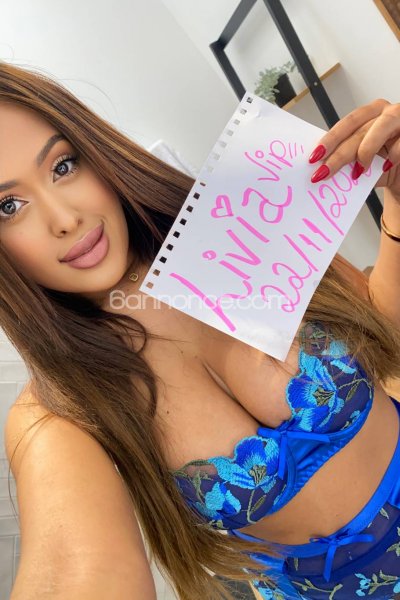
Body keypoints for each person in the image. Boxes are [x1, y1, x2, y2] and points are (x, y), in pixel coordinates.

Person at [1, 60, 400, 600]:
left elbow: (383, 327)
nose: (64, 218)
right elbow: (79, 573)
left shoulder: (239, 224)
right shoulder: (61, 408)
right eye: (8, 206)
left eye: (63, 165)